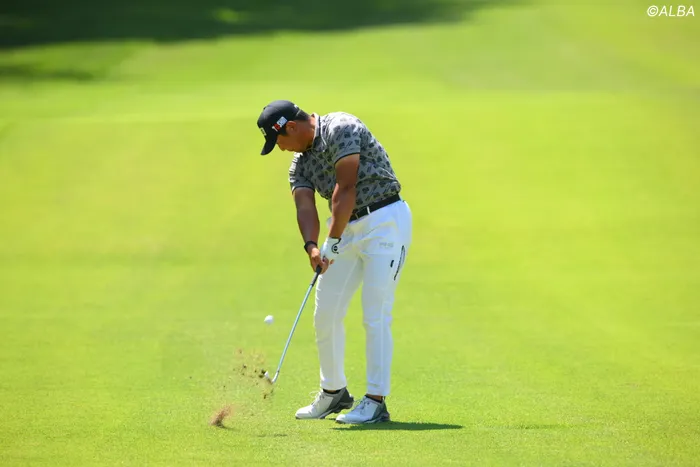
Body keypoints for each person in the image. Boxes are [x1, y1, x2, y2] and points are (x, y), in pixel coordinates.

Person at [256, 100, 412, 424]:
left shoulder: (341, 127)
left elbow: (346, 187)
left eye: (279, 141)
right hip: (343, 228)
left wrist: (333, 239)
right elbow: (304, 206)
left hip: (384, 220)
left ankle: (376, 401)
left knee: (375, 313)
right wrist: (312, 247)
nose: (281, 149)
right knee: (325, 311)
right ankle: (333, 391)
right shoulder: (299, 164)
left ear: (292, 127)